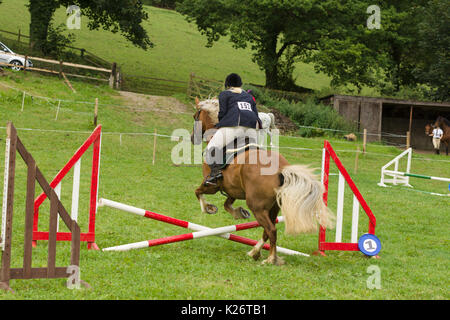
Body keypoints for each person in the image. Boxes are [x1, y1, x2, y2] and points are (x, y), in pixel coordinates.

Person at [204, 73, 262, 186]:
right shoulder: (249, 96)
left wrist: (221, 124)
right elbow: (256, 114)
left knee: (211, 148)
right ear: (240, 84)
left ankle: (215, 174)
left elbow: (222, 113)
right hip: (253, 129)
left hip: (235, 126)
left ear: (228, 84)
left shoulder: (225, 94)